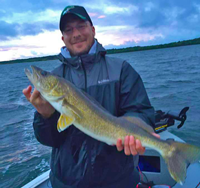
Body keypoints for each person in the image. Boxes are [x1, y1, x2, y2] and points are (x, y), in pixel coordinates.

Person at [23, 5, 158, 188]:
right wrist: (45, 116)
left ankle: (171, 151)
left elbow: (141, 111)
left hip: (118, 181)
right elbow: (49, 140)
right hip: (67, 183)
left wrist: (135, 129)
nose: (76, 34)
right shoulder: (57, 78)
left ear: (93, 29)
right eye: (69, 30)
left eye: (81, 26)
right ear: (63, 38)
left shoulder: (121, 69)